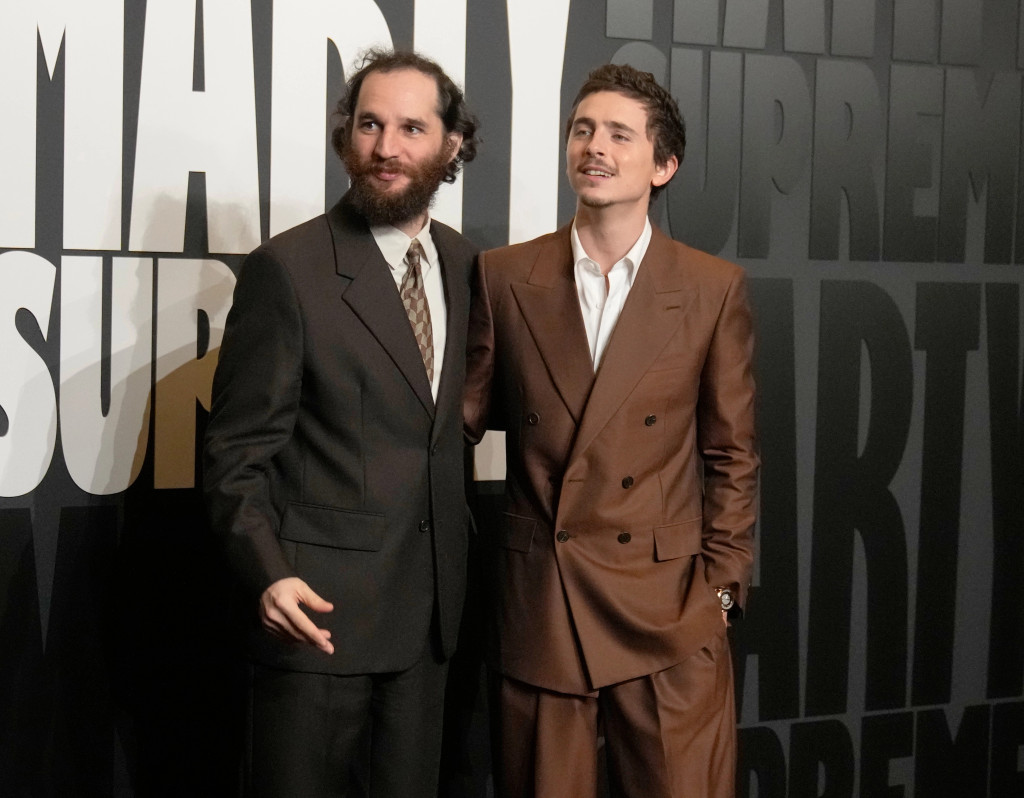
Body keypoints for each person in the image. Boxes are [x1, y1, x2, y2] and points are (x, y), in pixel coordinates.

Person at [464, 63, 758, 797]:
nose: (594, 146)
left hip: (669, 605)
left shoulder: (710, 287)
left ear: (663, 165)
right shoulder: (502, 276)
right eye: (582, 129)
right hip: (544, 600)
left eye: (619, 134)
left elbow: (732, 454)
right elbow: (458, 425)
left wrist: (721, 591)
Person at [203, 48, 479, 797]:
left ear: (452, 145)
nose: (386, 147)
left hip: (430, 627)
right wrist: (268, 574)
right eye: (369, 124)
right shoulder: (288, 269)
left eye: (411, 128)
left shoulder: (467, 266)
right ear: (345, 135)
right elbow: (234, 455)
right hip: (318, 622)